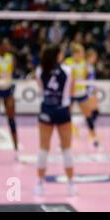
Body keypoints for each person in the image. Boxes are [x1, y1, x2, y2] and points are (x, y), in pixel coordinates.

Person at [34, 44, 76, 196]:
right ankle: (71, 184)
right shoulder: (68, 71)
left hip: (46, 109)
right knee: (66, 148)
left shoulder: (39, 71)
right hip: (62, 111)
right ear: (58, 55)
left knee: (43, 148)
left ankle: (39, 184)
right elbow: (71, 92)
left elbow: (41, 89)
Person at [64, 43, 98, 145]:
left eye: (82, 53)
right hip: (70, 94)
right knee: (66, 116)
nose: (82, 55)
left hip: (81, 93)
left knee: (88, 115)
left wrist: (92, 92)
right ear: (75, 53)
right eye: (80, 53)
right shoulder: (68, 62)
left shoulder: (85, 64)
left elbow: (89, 78)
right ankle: (66, 140)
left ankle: (94, 137)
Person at [86, 48, 100, 147]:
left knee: (95, 112)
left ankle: (83, 124)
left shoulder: (91, 66)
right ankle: (91, 133)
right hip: (87, 92)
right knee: (91, 112)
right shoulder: (86, 66)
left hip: (91, 91)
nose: (95, 58)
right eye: (94, 56)